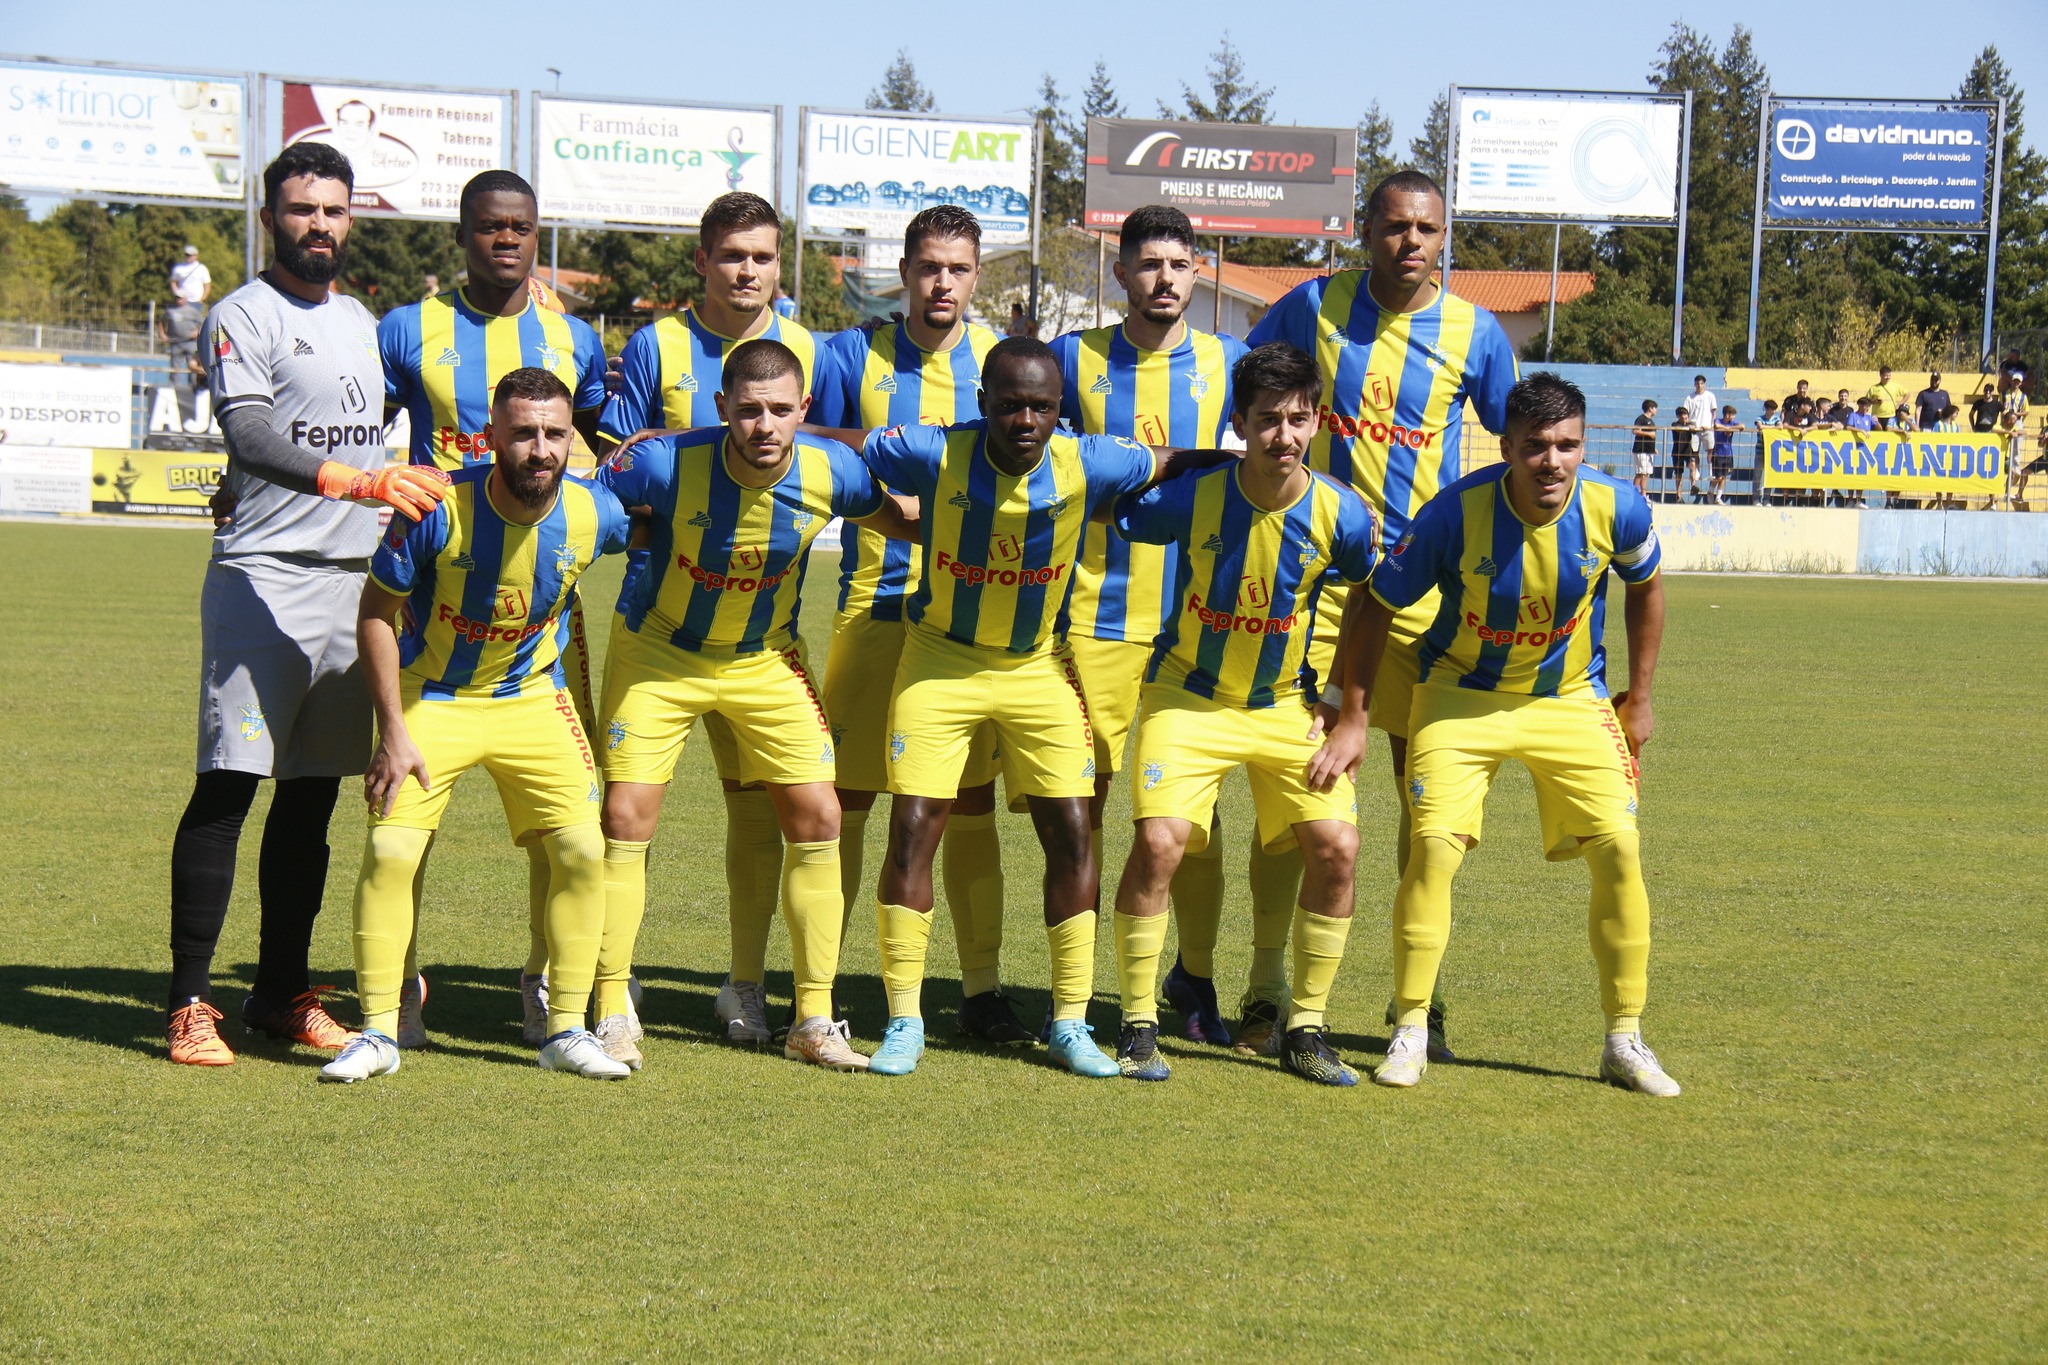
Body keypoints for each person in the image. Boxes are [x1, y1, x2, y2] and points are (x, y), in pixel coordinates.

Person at [811, 338, 1228, 1078]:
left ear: (1061, 411)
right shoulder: (935, 451)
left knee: (1072, 829)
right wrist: (722, 437)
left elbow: (1173, 462)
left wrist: (1254, 463)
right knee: (913, 829)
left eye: (1040, 406)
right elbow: (842, 440)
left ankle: (1069, 1022)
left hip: (1037, 667)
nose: (1024, 419)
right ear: (983, 406)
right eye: (1009, 405)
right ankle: (905, 1019)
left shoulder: (1089, 460)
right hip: (939, 660)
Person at [164, 143, 449, 1066]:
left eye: (332, 210)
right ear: (269, 217)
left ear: (350, 219)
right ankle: (188, 1002)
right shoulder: (241, 314)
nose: (317, 224)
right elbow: (244, 432)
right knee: (228, 782)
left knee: (312, 798)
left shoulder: (364, 320)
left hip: (350, 585)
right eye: (300, 209)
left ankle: (282, 992)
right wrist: (347, 480)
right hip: (265, 578)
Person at [1244, 169, 1518, 1063]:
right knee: (1299, 786)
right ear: (1365, 231)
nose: (1411, 242)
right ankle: (1264, 985)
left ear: (1446, 237)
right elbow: (1249, 397)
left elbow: (1517, 448)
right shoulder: (1311, 305)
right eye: (1395, 226)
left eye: (1427, 229)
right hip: (1313, 586)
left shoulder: (1476, 332)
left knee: (1422, 796)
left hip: (1424, 595)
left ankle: (1419, 997)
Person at [592, 339, 917, 1072]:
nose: (763, 425)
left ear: (804, 410)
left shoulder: (833, 468)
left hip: (765, 658)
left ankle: (811, 1017)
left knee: (820, 815)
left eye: (779, 410)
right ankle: (611, 1006)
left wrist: (1001, 517)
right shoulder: (662, 462)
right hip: (661, 651)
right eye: (747, 410)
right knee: (625, 817)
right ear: (721, 410)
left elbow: (899, 518)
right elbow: (587, 509)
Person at [1363, 371, 1677, 1097]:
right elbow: (1377, 601)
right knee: (1433, 846)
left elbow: (1648, 587)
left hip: (1570, 698)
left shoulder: (1615, 507)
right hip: (1458, 695)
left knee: (1621, 849)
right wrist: (1354, 711)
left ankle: (1624, 1037)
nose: (1553, 461)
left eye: (1567, 445)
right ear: (1505, 446)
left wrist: (1642, 699)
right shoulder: (1454, 514)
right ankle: (1411, 1026)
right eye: (1535, 446)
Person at [322, 369, 631, 1083]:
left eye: (555, 433)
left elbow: (655, 525)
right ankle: (376, 1031)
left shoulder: (595, 513)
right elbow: (374, 613)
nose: (541, 448)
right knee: (393, 850)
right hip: (433, 695)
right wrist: (392, 731)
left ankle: (565, 1029)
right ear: (492, 435)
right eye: (523, 432)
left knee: (585, 851)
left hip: (531, 699)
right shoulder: (437, 507)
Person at [375, 169, 611, 1044]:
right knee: (408, 814)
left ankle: (550, 985)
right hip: (431, 604)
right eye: (488, 227)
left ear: (536, 234)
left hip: (541, 606)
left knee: (566, 820)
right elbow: (365, 431)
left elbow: (609, 443)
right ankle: (398, 990)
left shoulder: (574, 336)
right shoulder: (408, 330)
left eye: (520, 227)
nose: (505, 240)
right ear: (463, 234)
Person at [1107, 342, 1378, 1086]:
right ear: (1238, 423)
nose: (1282, 436)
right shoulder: (1194, 498)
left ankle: (1307, 1027)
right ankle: (1136, 1027)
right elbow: (1112, 505)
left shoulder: (1340, 514)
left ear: (1317, 420)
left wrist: (1351, 712)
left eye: (1296, 419)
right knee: (1161, 843)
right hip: (1185, 699)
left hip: (1284, 708)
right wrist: (1175, 459)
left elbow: (1369, 598)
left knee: (1338, 847)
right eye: (1265, 421)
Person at [595, 191, 819, 1046]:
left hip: (765, 635)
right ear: (703, 260)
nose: (748, 270)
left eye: (763, 255)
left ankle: (746, 986)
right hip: (660, 619)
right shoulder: (657, 345)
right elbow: (619, 457)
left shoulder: (810, 348)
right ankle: (613, 984)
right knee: (628, 813)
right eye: (733, 254)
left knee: (760, 814)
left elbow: (832, 453)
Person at [809, 205, 1025, 1043]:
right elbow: (814, 443)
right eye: (929, 267)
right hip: (875, 609)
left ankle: (980, 990)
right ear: (903, 270)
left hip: (971, 621)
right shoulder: (849, 354)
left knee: (966, 805)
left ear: (978, 276)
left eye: (959, 269)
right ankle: (820, 990)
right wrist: (884, 499)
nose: (943, 283)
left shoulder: (999, 364)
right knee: (848, 802)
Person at [1047, 204, 1249, 1048]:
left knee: (1189, 825)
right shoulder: (1072, 358)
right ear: (1120, 273)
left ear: (1198, 271)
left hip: (1197, 628)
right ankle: (1079, 995)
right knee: (1078, 817)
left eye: (1179, 263)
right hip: (1093, 618)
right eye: (1149, 263)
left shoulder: (1228, 363)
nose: (1165, 278)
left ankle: (1192, 978)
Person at [1680, 375, 1716, 500]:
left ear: (1704, 384)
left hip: (1707, 428)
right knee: (1695, 451)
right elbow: (1686, 414)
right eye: (1697, 384)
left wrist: (1711, 425)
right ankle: (1698, 471)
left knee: (1710, 450)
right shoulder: (1690, 398)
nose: (1699, 386)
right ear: (1694, 384)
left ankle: (1710, 471)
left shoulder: (1710, 396)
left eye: (1701, 384)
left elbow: (1714, 412)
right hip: (1695, 429)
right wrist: (1690, 424)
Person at [1754, 399, 1782, 505]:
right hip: (1760, 450)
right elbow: (1760, 426)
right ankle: (1756, 499)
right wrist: (1772, 428)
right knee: (1757, 476)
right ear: (1766, 409)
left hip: (1771, 451)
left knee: (1768, 476)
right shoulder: (1759, 418)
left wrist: (1767, 428)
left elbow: (1780, 427)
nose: (1773, 411)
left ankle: (1766, 499)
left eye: (1774, 409)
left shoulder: (1776, 418)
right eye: (1771, 409)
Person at [1710, 404, 1738, 505]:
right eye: (1732, 415)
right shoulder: (1718, 421)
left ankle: (1718, 497)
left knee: (1724, 476)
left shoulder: (1732, 423)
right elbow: (1716, 426)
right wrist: (1727, 429)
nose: (1734, 417)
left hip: (1728, 453)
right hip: (1718, 453)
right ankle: (1710, 491)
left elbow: (1742, 426)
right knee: (1718, 477)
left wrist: (1729, 428)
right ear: (1727, 415)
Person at [1630, 400, 1658, 499]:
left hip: (1648, 450)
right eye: (1655, 408)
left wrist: (1653, 448)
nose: (1656, 410)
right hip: (1640, 449)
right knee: (1640, 472)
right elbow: (1635, 430)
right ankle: (1633, 492)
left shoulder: (1652, 422)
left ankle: (1643, 494)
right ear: (1650, 408)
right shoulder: (1641, 419)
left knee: (1646, 473)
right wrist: (1648, 434)